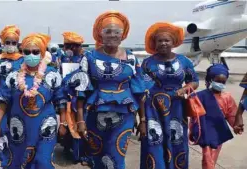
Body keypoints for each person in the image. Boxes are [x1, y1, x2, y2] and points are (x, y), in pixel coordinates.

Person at [75, 11, 147, 169]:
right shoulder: (89, 57)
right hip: (95, 113)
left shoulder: (131, 58)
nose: (112, 35)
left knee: (116, 156)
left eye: (117, 32)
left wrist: (142, 120)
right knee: (97, 156)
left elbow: (139, 91)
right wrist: (80, 120)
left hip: (124, 115)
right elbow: (81, 91)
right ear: (100, 35)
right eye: (108, 31)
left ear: (123, 35)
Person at [0, 33, 67, 169]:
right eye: (27, 51)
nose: (31, 54)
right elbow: (4, 101)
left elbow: (61, 100)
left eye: (35, 51)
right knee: (20, 161)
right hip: (19, 128)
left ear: (42, 53)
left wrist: (63, 123)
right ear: (23, 52)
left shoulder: (52, 74)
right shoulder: (13, 76)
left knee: (43, 162)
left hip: (45, 127)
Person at [139, 22, 199, 169]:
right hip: (153, 109)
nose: (163, 43)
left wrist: (184, 89)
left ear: (173, 43)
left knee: (177, 140)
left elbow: (194, 81)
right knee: (155, 141)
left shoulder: (184, 61)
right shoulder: (147, 63)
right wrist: (142, 120)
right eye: (160, 41)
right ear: (155, 43)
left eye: (167, 40)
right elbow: (141, 89)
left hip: (177, 108)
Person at [189, 64, 239, 169]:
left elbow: (232, 114)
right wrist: (192, 130)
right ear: (211, 80)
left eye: (223, 82)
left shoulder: (227, 97)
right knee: (207, 157)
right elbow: (194, 116)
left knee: (213, 156)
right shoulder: (200, 96)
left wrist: (236, 126)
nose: (220, 84)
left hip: (218, 131)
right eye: (218, 81)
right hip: (206, 131)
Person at [0, 25, 25, 169]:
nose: (10, 46)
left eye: (13, 43)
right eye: (8, 42)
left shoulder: (23, 60)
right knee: (2, 131)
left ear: (17, 44)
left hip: (18, 101)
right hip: (1, 101)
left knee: (18, 130)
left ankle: (18, 160)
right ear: (3, 43)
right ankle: (2, 162)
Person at [58, 31, 89, 165]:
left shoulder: (86, 59)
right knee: (66, 123)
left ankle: (80, 154)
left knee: (80, 124)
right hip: (66, 96)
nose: (71, 49)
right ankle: (66, 147)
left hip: (81, 97)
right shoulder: (62, 60)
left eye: (74, 46)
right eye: (67, 46)